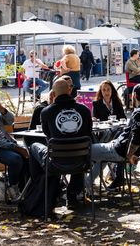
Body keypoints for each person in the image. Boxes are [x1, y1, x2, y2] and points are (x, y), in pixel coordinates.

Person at [29, 77, 93, 206]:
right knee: (77, 151)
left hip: (56, 162)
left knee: (33, 146)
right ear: (69, 91)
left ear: (53, 93)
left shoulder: (46, 112)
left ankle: (39, 188)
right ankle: (73, 194)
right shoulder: (84, 110)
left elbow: (48, 135)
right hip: (82, 160)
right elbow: (88, 132)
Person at [89, 84, 140, 191]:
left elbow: (136, 136)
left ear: (134, 95)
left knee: (85, 152)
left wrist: (130, 155)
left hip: (119, 150)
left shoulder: (139, 113)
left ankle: (79, 188)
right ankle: (88, 184)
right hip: (120, 147)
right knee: (102, 156)